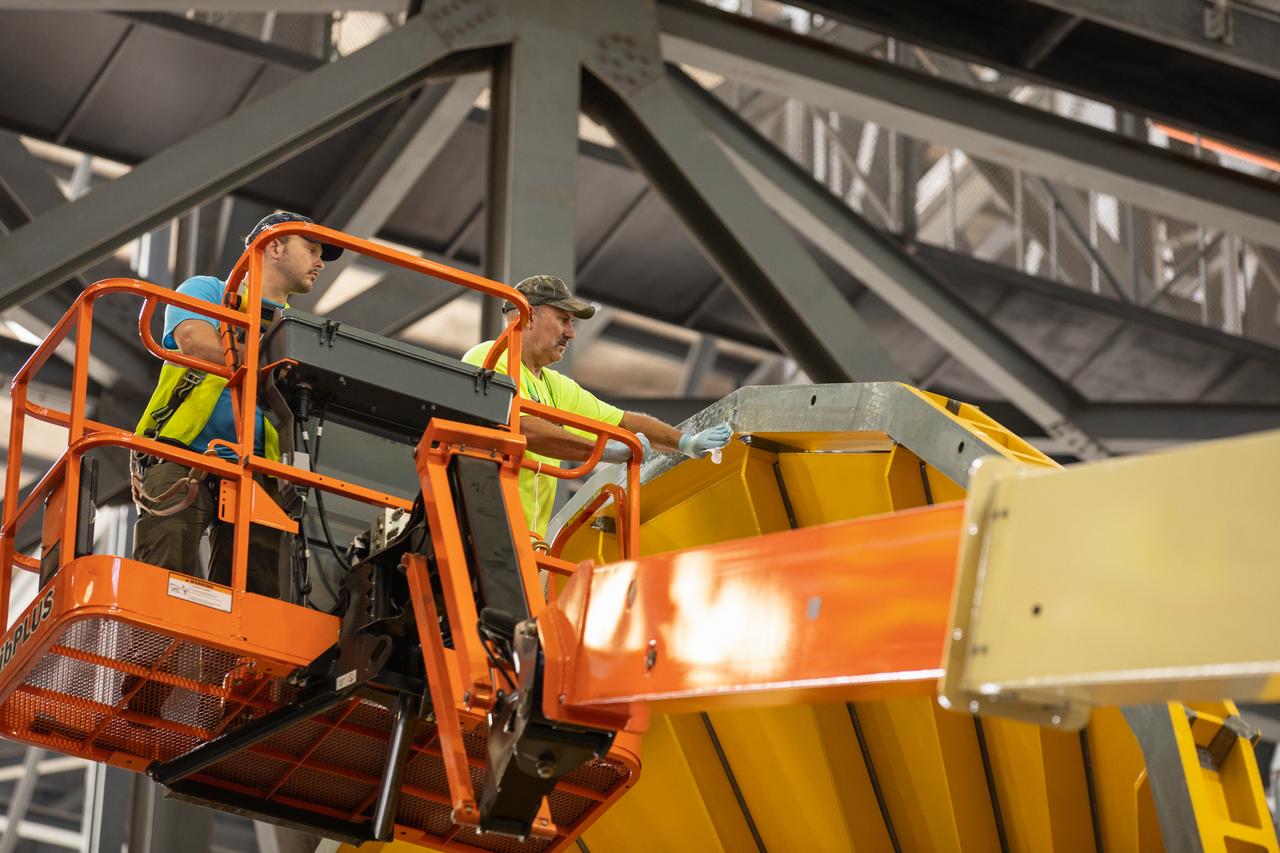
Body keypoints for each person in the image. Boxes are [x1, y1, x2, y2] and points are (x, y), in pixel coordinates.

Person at [131, 211, 343, 597]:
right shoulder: (210, 291)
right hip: (183, 454)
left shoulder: (300, 332)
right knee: (163, 575)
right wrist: (277, 362)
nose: (320, 263)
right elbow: (196, 342)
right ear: (274, 246)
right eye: (311, 249)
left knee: (254, 595)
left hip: (260, 469)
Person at [462, 275, 731, 538]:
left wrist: (684, 442)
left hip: (521, 539)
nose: (571, 333)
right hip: (479, 524)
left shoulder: (554, 385)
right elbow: (523, 429)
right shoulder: (490, 357)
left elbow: (622, 422)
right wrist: (605, 451)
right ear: (529, 317)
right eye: (563, 320)